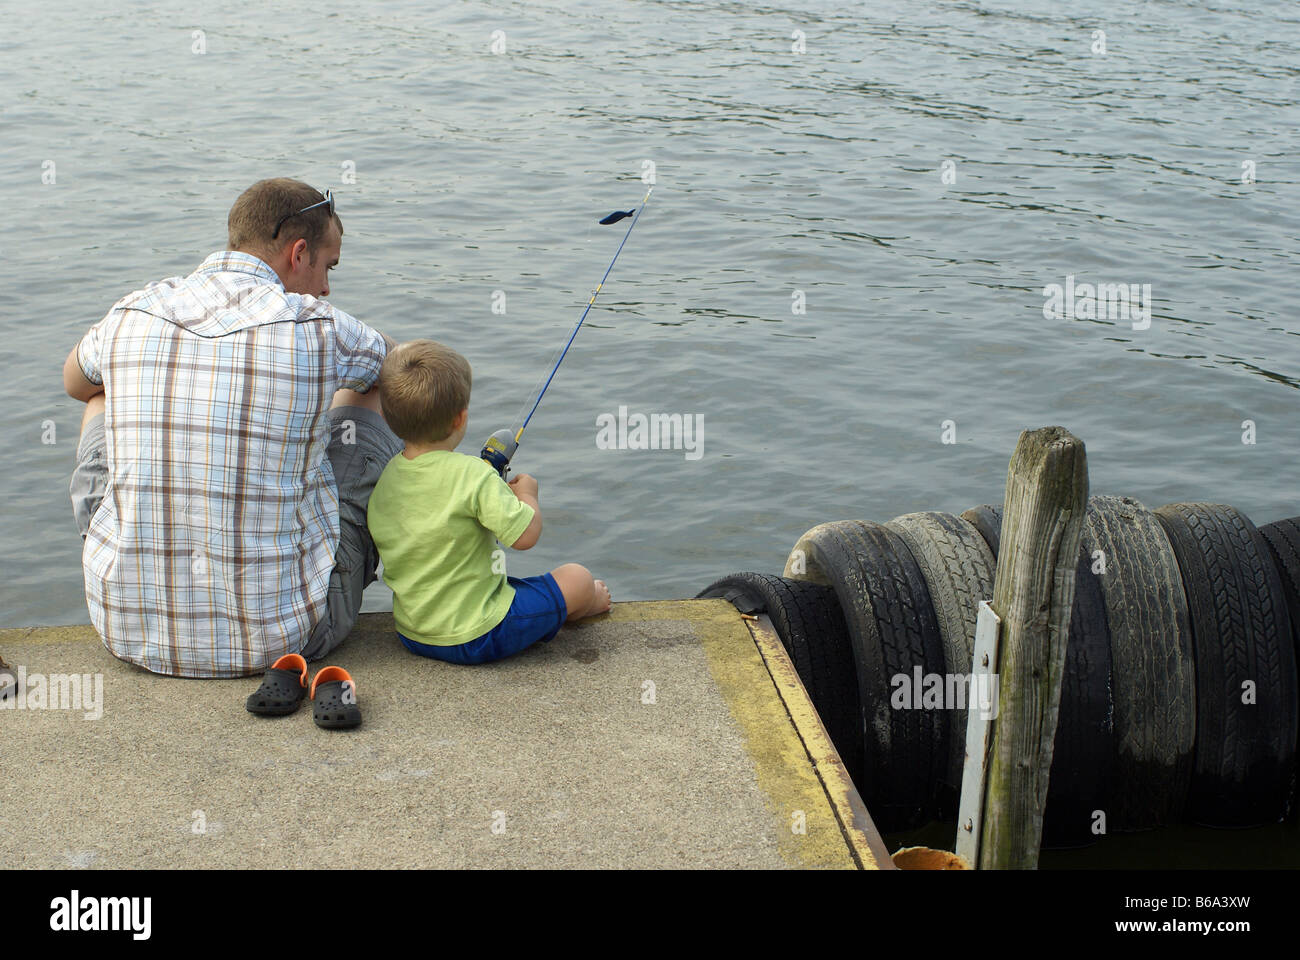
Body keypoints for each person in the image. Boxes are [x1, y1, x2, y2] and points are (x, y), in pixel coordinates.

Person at [62, 178, 401, 678]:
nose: (327, 287)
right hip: (287, 637)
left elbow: (74, 380)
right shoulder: (322, 324)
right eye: (328, 267)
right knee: (371, 387)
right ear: (298, 252)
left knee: (101, 390)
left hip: (126, 629)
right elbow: (403, 371)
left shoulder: (134, 310)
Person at [366, 339, 611, 665]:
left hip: (414, 633)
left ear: (385, 415)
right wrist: (527, 495)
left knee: (514, 587)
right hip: (479, 634)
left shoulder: (386, 479)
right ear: (460, 419)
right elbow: (525, 537)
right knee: (577, 578)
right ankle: (584, 604)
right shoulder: (472, 475)